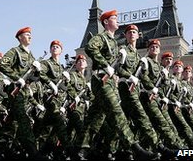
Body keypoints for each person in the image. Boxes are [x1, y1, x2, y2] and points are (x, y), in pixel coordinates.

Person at [78, 10, 159, 160]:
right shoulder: (101, 37)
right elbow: (90, 47)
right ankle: (135, 148)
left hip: (110, 82)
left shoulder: (114, 42)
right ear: (106, 22)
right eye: (114, 18)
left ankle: (81, 149)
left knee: (95, 116)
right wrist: (104, 65)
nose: (117, 20)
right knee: (117, 113)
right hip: (100, 79)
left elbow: (117, 66)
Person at [116, 25, 165, 154]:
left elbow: (142, 76)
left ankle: (122, 150)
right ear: (126, 36)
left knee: (126, 120)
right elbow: (118, 69)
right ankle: (158, 146)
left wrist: (152, 88)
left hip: (135, 90)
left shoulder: (137, 55)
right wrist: (130, 76)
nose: (132, 34)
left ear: (138, 36)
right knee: (141, 116)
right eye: (129, 32)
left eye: (134, 32)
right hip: (126, 87)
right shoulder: (123, 50)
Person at [0, 27, 44, 159]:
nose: (30, 37)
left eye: (30, 35)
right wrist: (17, 78)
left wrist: (38, 70)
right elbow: (2, 65)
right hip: (15, 91)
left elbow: (35, 79)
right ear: (20, 37)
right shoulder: (15, 51)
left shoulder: (31, 55)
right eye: (27, 35)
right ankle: (33, 152)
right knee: (23, 121)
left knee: (11, 123)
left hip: (25, 93)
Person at [138, 39, 184, 158]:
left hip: (156, 99)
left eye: (156, 46)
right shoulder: (145, 61)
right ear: (148, 49)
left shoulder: (158, 66)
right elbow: (143, 77)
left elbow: (162, 87)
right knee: (163, 124)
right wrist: (152, 87)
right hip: (147, 96)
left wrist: (165, 80)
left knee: (153, 126)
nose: (154, 48)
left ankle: (150, 151)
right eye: (152, 46)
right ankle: (181, 151)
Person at [38, 40, 73, 159]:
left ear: (61, 51)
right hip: (49, 97)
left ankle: (43, 151)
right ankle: (69, 150)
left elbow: (65, 88)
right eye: (52, 46)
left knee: (48, 127)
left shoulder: (61, 67)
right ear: (50, 50)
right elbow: (40, 73)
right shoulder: (46, 63)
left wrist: (67, 80)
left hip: (59, 100)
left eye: (57, 47)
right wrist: (50, 83)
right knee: (59, 121)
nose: (54, 48)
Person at [181, 65, 193, 139]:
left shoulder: (191, 86)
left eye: (189, 71)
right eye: (186, 71)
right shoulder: (182, 83)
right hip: (184, 109)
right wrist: (188, 102)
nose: (187, 73)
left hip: (191, 110)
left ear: (191, 74)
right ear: (183, 73)